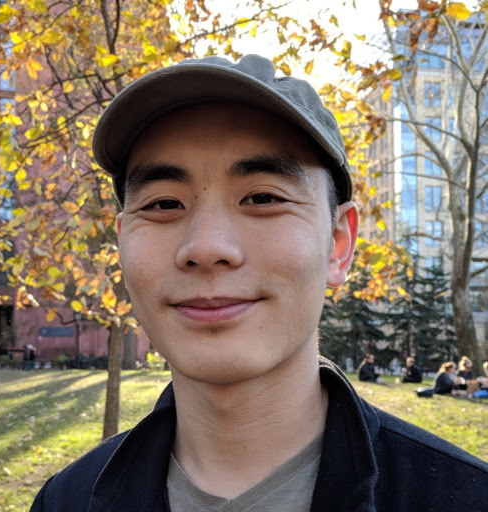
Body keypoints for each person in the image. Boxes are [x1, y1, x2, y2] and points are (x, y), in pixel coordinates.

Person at [30, 54, 488, 511]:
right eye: (164, 204)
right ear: (122, 240)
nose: (206, 247)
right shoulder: (64, 500)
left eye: (263, 198)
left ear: (338, 244)